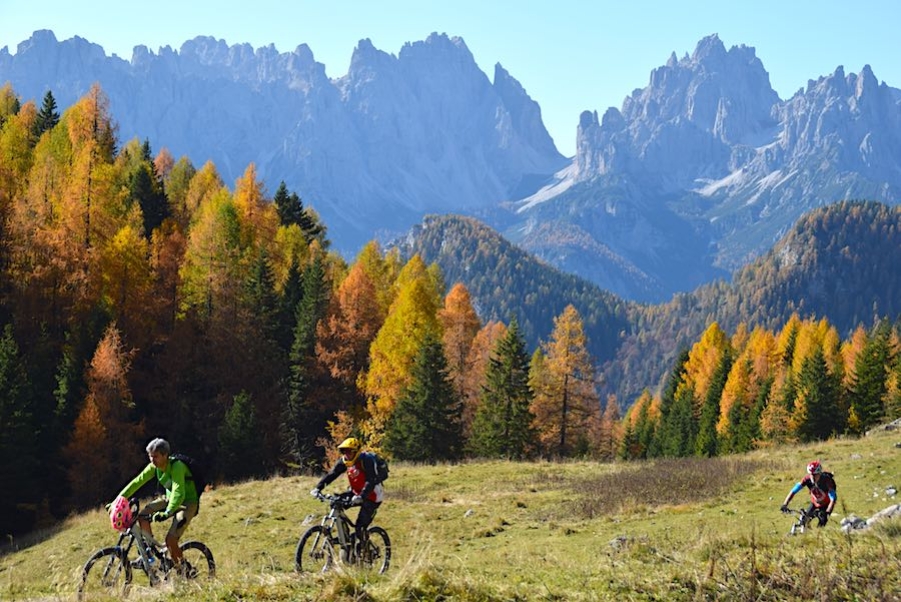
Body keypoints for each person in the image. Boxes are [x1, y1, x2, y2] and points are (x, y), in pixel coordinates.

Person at [113, 438, 200, 572]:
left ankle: (184, 569)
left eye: (156, 457)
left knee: (170, 540)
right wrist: (117, 500)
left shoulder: (177, 466)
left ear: (165, 455)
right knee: (142, 516)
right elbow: (137, 482)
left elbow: (178, 492)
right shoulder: (155, 467)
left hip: (187, 503)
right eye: (150, 456)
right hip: (169, 499)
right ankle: (151, 554)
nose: (152, 460)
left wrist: (168, 512)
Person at [310, 437, 384, 552]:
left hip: (372, 496)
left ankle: (365, 551)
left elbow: (371, 480)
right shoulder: (344, 461)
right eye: (344, 451)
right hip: (355, 493)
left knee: (360, 528)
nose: (347, 454)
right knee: (336, 504)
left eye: (350, 451)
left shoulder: (367, 460)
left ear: (356, 451)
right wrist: (318, 488)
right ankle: (345, 539)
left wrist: (362, 496)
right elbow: (332, 474)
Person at [780, 460, 837, 527]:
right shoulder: (807, 479)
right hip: (814, 503)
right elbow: (793, 491)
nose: (812, 477)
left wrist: (827, 512)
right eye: (811, 474)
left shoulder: (827, 481)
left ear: (819, 473)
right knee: (804, 522)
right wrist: (785, 504)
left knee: (822, 522)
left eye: (815, 475)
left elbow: (833, 498)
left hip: (826, 505)